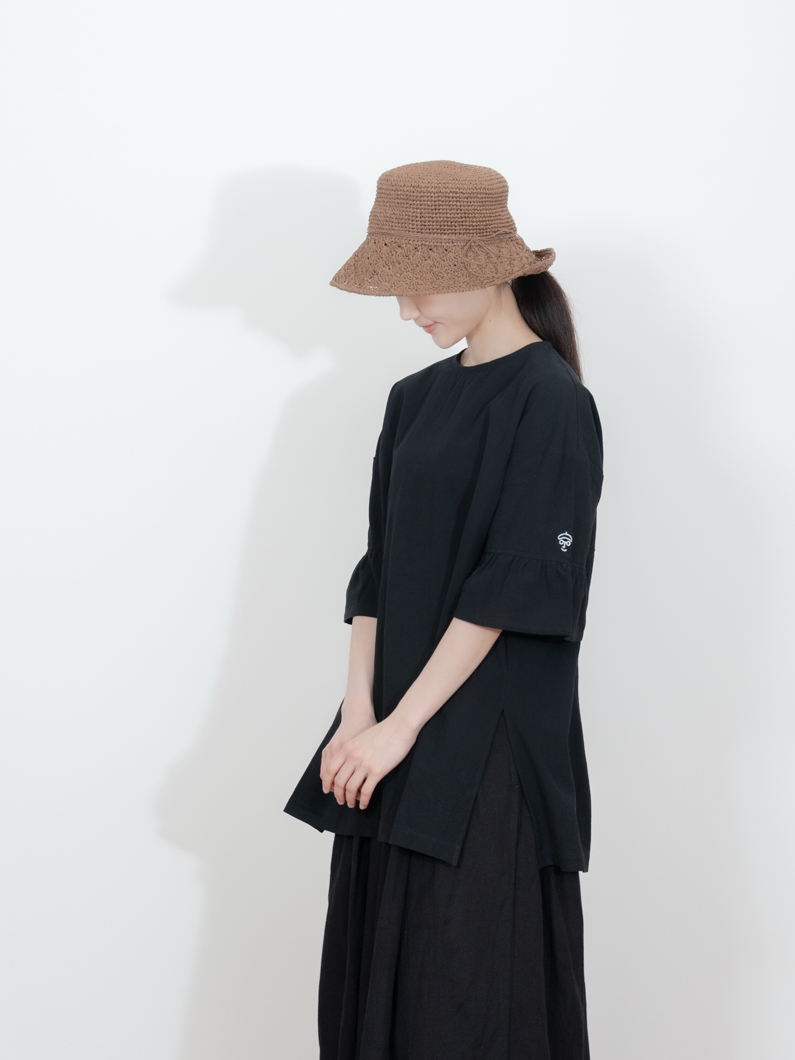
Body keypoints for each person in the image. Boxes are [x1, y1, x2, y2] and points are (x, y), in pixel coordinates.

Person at [284, 159, 604, 1060]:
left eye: (416, 284)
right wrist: (358, 719)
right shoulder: (413, 399)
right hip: (390, 726)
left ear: (486, 266)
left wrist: (400, 728)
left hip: (486, 741)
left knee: (464, 991)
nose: (405, 311)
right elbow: (378, 571)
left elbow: (513, 585)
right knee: (377, 986)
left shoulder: (552, 402)